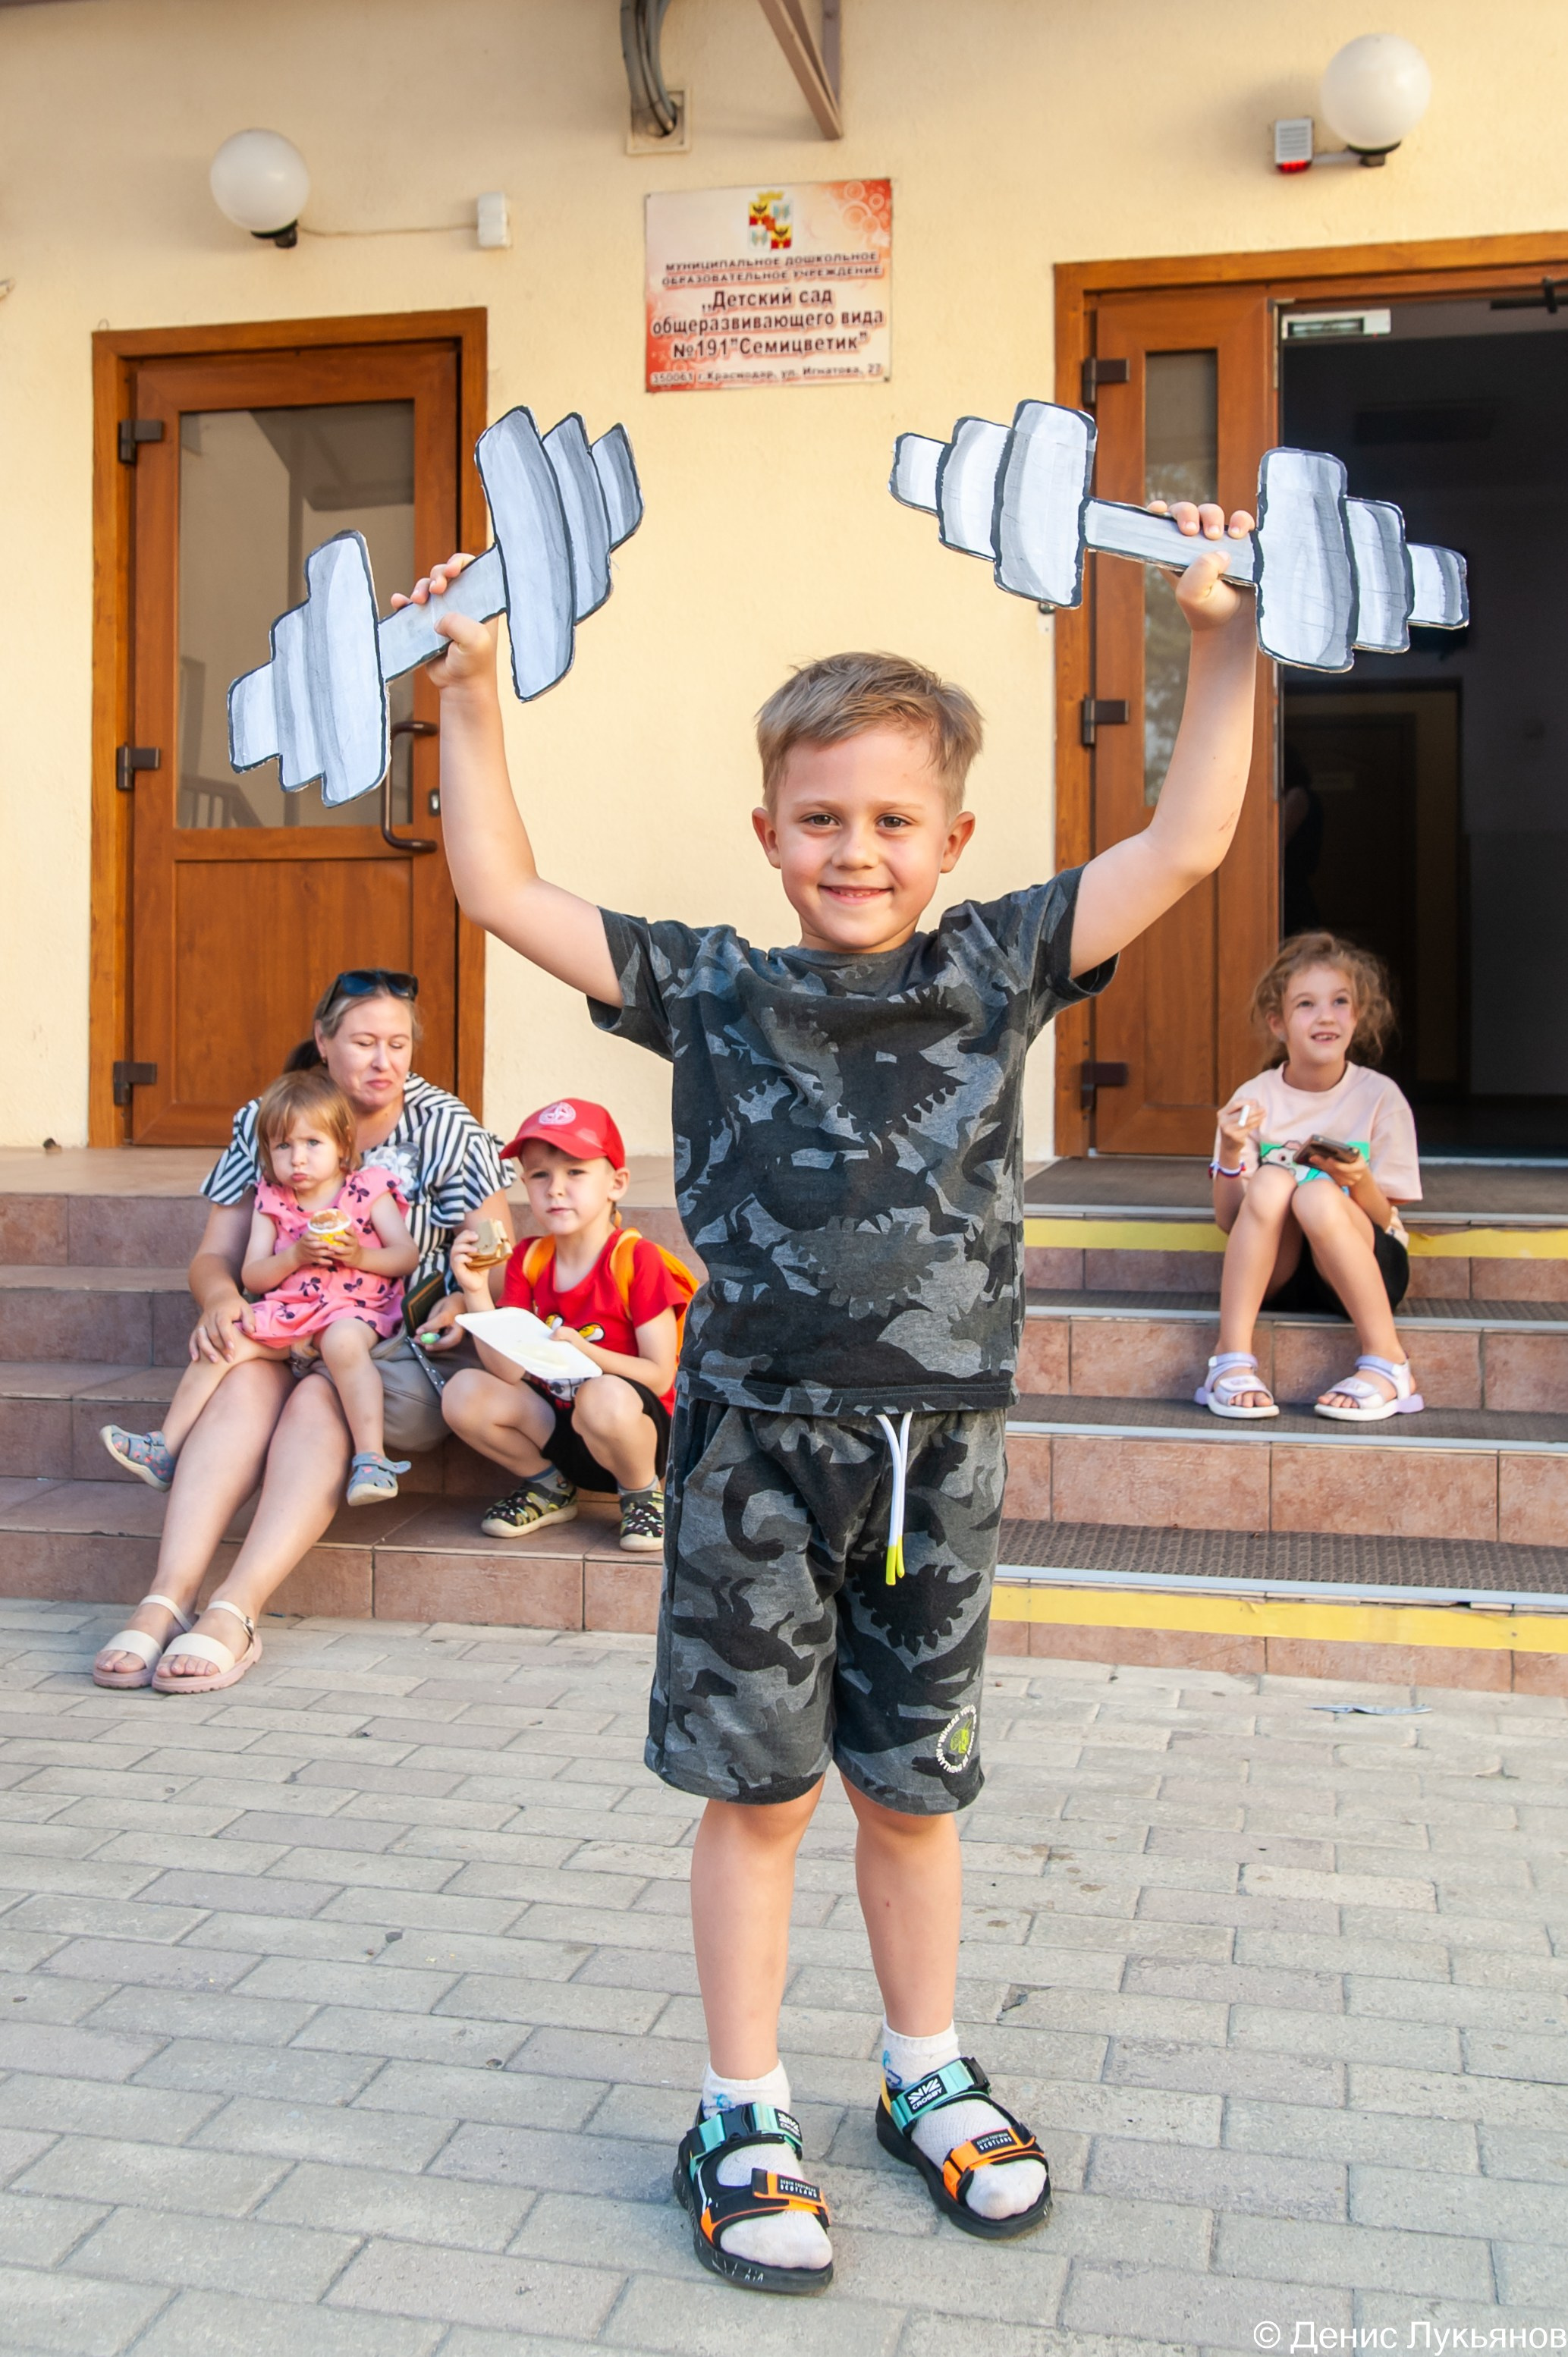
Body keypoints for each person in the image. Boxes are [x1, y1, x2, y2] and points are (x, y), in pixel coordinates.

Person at [394, 489, 1258, 2294]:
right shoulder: (713, 987)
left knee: (916, 1791)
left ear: (950, 832)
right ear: (769, 830)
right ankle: (739, 2101)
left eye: (889, 819)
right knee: (761, 1794)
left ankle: (921, 2069)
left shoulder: (994, 961)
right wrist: (471, 688)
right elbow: (494, 886)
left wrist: (1219, 635)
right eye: (819, 819)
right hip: (754, 1455)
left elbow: (1184, 838)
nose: (853, 848)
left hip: (940, 1454)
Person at [91, 971, 511, 1695]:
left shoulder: (445, 1125)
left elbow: (494, 1264)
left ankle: (236, 1607)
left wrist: (465, 1298)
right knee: (244, 1376)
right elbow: (216, 1259)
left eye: (398, 1044)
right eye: (363, 1042)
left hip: (388, 1345)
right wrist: (220, 1301)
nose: (384, 1061)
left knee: (320, 1396)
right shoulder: (276, 1115)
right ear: (323, 1042)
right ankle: (166, 1597)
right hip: (285, 1321)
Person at [99, 1069, 419, 1515]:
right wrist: (294, 1258)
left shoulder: (367, 1189)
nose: (298, 1159)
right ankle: (164, 1448)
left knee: (344, 1344)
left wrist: (359, 1256)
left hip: (356, 1308)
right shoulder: (272, 1198)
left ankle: (371, 1459)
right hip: (290, 1314)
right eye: (283, 1145)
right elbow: (253, 1276)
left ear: (344, 1145)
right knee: (224, 1342)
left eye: (313, 1143)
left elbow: (406, 1256)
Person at [440, 1097, 692, 1554]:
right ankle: (549, 1487)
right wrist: (476, 1292)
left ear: (616, 1183)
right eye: (540, 1175)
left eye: (575, 1172)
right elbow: (507, 1373)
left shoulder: (637, 1260)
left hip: (634, 1434)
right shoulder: (529, 1259)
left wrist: (586, 1353)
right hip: (559, 1428)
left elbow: (659, 1375)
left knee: (602, 1395)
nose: (556, 1188)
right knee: (462, 1392)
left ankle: (643, 1496)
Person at [1199, 931, 1423, 1423]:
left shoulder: (1379, 1097)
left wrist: (1358, 1179)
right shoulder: (1255, 1097)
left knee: (1317, 1196)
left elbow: (1387, 1217)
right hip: (1275, 1271)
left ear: (1357, 1015)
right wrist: (1235, 1149)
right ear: (1277, 1022)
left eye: (1340, 1001)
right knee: (1277, 1182)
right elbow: (1228, 1220)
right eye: (1306, 1004)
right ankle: (1229, 1357)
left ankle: (1388, 1361)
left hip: (1363, 1267)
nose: (1325, 1015)